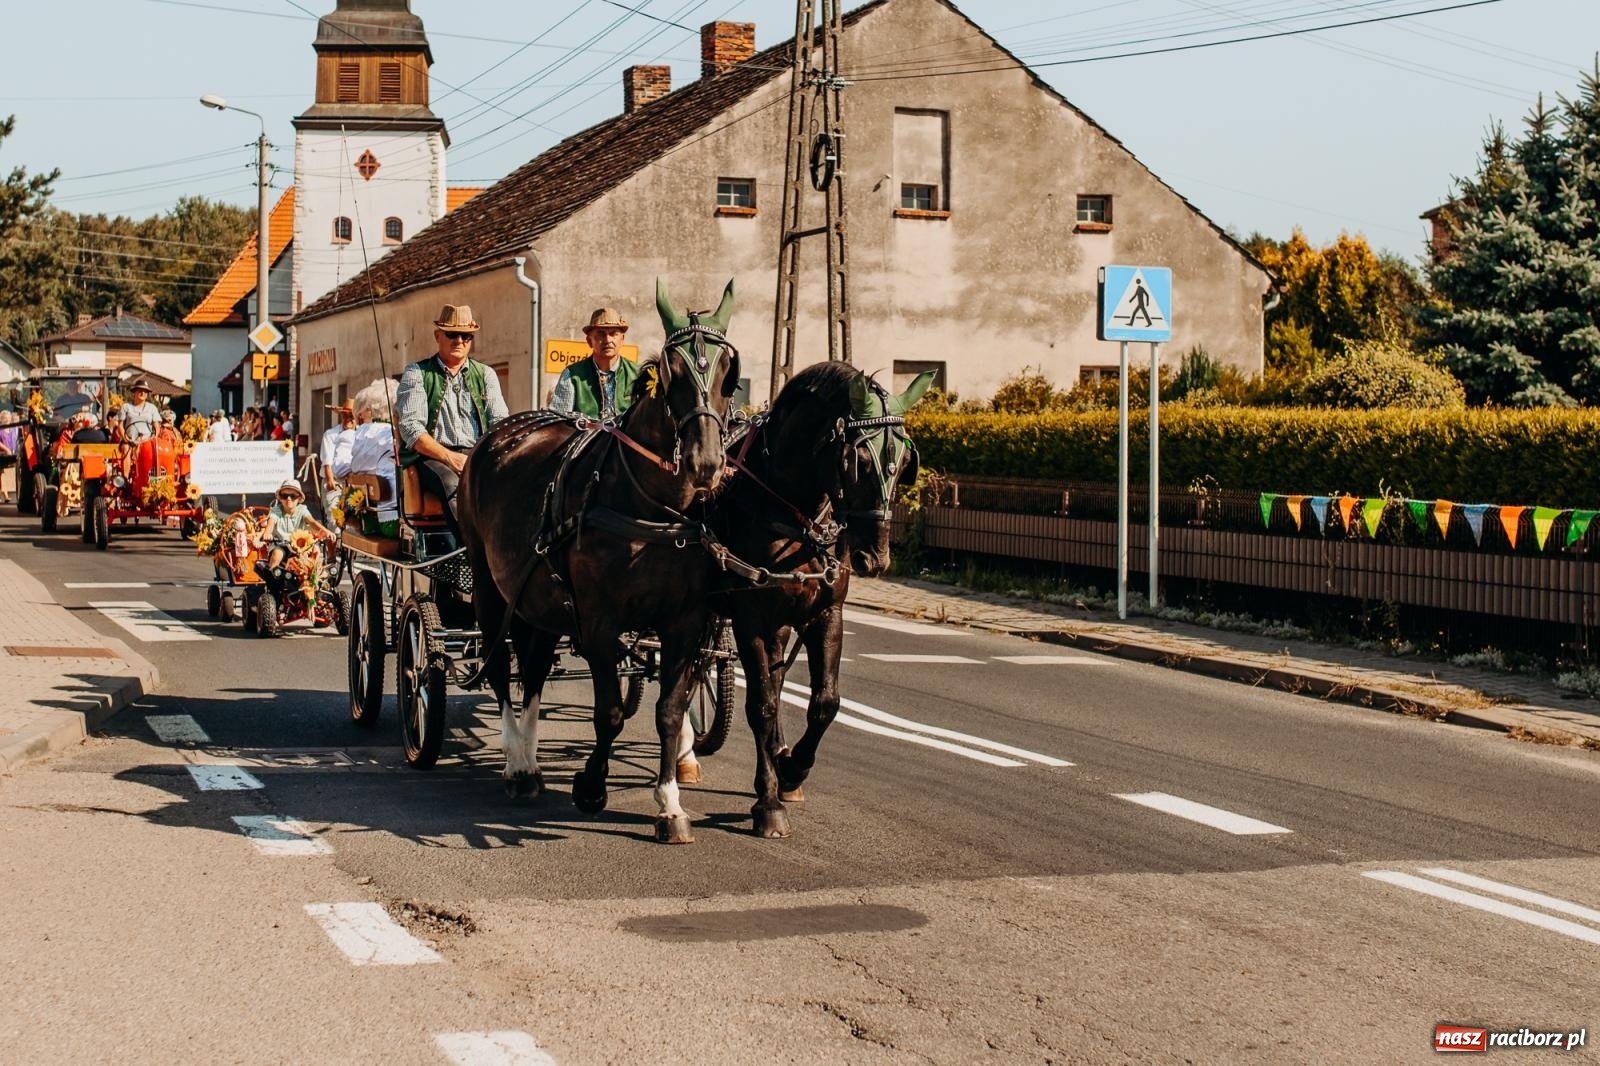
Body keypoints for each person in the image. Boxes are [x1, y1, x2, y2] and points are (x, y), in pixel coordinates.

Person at [396, 304, 508, 521]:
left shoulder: (486, 374)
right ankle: (470, 551)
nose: (459, 341)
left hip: (476, 455)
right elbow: (411, 428)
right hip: (432, 457)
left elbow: (500, 423)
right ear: (438, 335)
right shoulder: (417, 373)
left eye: (466, 336)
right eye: (452, 334)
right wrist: (451, 458)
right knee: (453, 484)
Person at [549, 307, 637, 418]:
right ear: (589, 341)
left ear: (622, 339)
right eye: (600, 334)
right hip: (585, 435)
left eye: (613, 333)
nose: (607, 340)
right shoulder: (572, 375)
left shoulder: (638, 374)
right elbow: (558, 422)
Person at [255, 478, 334, 599]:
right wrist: (268, 534)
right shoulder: (276, 511)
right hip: (281, 544)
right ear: (280, 497)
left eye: (293, 496)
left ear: (299, 499)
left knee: (316, 551)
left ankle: (319, 584)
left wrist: (326, 531)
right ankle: (274, 588)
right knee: (277, 554)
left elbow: (312, 522)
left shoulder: (302, 510)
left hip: (301, 546)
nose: (289, 499)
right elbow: (270, 525)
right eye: (285, 495)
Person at [347, 378, 401, 536]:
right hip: (401, 510)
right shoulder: (394, 431)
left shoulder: (366, 432)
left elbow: (357, 467)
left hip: (382, 515)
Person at [320, 399, 356, 518]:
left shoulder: (361, 433)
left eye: (351, 416)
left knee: (353, 518)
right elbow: (327, 459)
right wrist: (330, 480)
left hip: (354, 482)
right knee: (334, 516)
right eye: (345, 415)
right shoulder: (330, 434)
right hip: (335, 481)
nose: (348, 419)